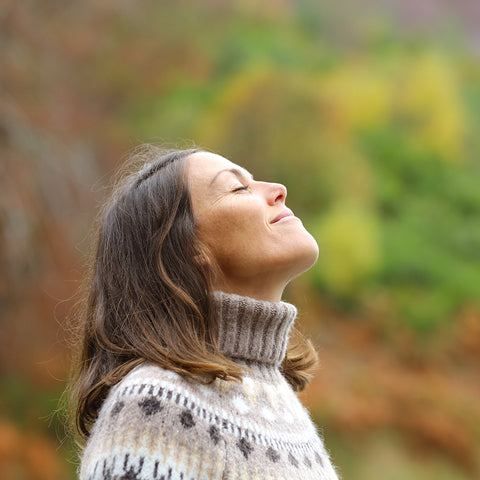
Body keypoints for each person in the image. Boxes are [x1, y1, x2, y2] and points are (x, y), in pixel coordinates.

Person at [69, 145, 339, 480]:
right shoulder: (156, 404)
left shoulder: (283, 404)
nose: (278, 190)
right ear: (188, 248)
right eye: (239, 188)